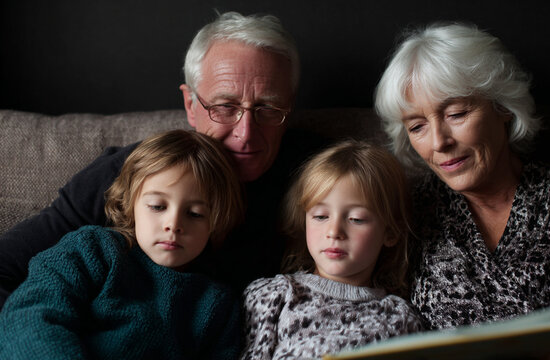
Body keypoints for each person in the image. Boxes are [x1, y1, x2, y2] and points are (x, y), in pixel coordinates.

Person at [0, 11, 326, 308]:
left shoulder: (322, 178)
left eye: (267, 109)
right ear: (190, 104)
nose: (246, 133)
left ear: (290, 106)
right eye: (225, 107)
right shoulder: (133, 172)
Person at [374, 22, 550, 359]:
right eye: (417, 126)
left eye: (457, 113)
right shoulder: (405, 214)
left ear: (501, 106)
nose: (439, 142)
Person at [0, 130, 244, 359]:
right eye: (158, 206)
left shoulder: (217, 305)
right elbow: (29, 315)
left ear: (216, 222)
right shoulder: (92, 250)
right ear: (130, 205)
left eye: (195, 214)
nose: (174, 224)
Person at [240, 140, 425, 359]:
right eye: (320, 216)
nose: (334, 231)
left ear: (391, 233)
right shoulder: (273, 295)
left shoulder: (401, 318)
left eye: (356, 219)